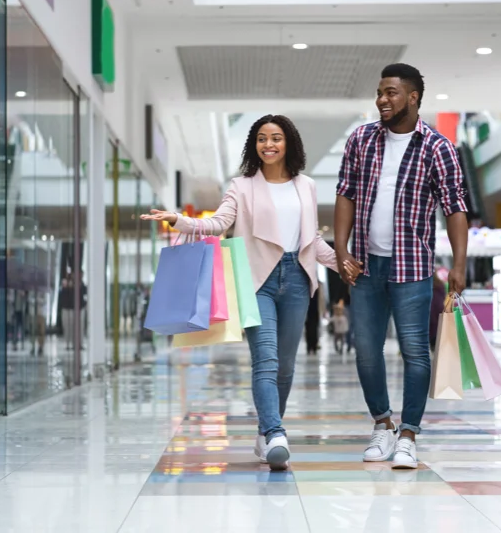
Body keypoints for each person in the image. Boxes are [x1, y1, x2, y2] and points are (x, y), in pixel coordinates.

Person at [142, 114, 337, 470]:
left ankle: (265, 433)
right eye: (262, 138)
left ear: (288, 143)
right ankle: (276, 432)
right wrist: (179, 220)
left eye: (276, 138)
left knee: (287, 366)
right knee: (266, 358)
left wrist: (345, 264)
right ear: (254, 144)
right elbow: (219, 222)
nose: (269, 144)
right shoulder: (242, 186)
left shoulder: (306, 185)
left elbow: (313, 239)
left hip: (297, 278)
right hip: (255, 279)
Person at [335, 63, 469, 470]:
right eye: (379, 92)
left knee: (415, 352)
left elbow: (455, 208)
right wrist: (341, 248)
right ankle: (382, 424)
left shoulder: (437, 147)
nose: (382, 100)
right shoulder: (362, 139)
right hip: (366, 267)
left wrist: (459, 264)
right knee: (367, 353)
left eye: (391, 92)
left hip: (413, 268)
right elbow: (345, 194)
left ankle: (409, 434)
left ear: (413, 97)